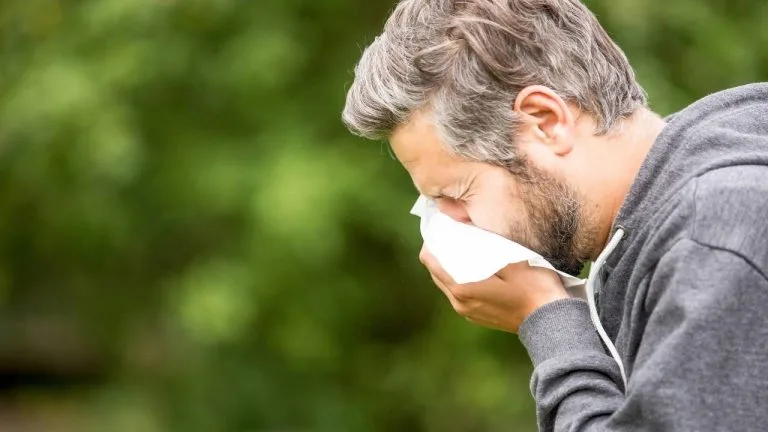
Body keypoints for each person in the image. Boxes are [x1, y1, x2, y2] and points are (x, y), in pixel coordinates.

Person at [341, 0, 768, 431]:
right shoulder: (680, 214)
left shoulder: (715, 239)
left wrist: (546, 317)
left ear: (545, 121)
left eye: (456, 193)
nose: (453, 222)